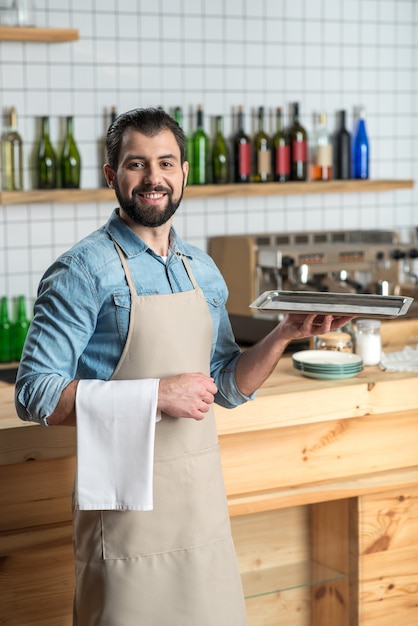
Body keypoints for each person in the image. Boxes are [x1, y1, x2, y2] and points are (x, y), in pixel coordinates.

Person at [15, 107, 352, 626]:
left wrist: (285, 334)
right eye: (137, 164)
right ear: (112, 175)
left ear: (184, 172)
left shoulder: (203, 270)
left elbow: (223, 385)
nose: (154, 178)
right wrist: (155, 395)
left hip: (199, 507)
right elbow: (34, 393)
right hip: (126, 514)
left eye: (166, 163)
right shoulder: (81, 270)